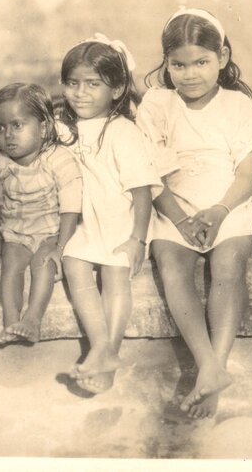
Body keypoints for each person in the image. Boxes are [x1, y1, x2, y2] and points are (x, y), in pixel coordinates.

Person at [137, 8, 252, 420]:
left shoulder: (238, 105)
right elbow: (150, 173)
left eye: (201, 62)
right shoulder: (157, 104)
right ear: (166, 63)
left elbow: (246, 175)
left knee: (229, 266)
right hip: (174, 205)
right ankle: (209, 365)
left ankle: (213, 368)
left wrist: (220, 212)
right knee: (171, 264)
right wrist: (183, 219)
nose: (190, 74)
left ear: (222, 57)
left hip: (227, 204)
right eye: (178, 65)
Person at [60, 35, 160, 395]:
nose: (80, 93)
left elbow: (142, 191)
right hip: (88, 222)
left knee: (116, 274)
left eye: (92, 84)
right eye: (72, 83)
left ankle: (108, 351)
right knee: (73, 261)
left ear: (117, 89)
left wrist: (138, 239)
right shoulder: (63, 130)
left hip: (121, 219)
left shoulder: (122, 132)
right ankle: (101, 346)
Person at [0, 83, 82, 346]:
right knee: (10, 266)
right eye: (0, 127)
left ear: (44, 127)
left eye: (17, 125)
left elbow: (71, 207)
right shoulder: (1, 164)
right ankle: (10, 322)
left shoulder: (57, 158)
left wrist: (59, 247)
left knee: (43, 264)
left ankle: (33, 319)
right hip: (16, 233)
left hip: (52, 231)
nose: (7, 135)